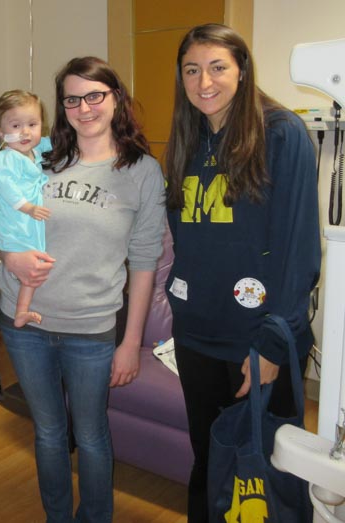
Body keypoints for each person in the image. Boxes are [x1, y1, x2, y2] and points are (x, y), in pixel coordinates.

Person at [163, 23, 321, 523]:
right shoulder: (187, 139)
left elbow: (298, 250)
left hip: (256, 338)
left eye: (217, 67)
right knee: (210, 458)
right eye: (192, 70)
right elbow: (185, 238)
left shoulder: (281, 133)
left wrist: (273, 344)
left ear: (242, 70)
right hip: (196, 336)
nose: (203, 81)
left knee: (262, 472)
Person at [0, 57, 166, 522]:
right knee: (49, 431)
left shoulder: (141, 171)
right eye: (72, 99)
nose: (84, 107)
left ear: (116, 98)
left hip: (91, 329)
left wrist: (130, 343)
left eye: (95, 95)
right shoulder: (38, 157)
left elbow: (145, 260)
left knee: (91, 435)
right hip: (23, 322)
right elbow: (1, 214)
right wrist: (7, 256)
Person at [0, 89, 52, 328]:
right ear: (1, 132)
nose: (25, 132)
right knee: (28, 268)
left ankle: (22, 311)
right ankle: (21, 310)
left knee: (33, 268)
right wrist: (28, 208)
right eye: (16, 126)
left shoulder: (36, 150)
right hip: (14, 224)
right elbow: (7, 187)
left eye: (32, 124)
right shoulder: (6, 158)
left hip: (28, 225)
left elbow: (58, 141)